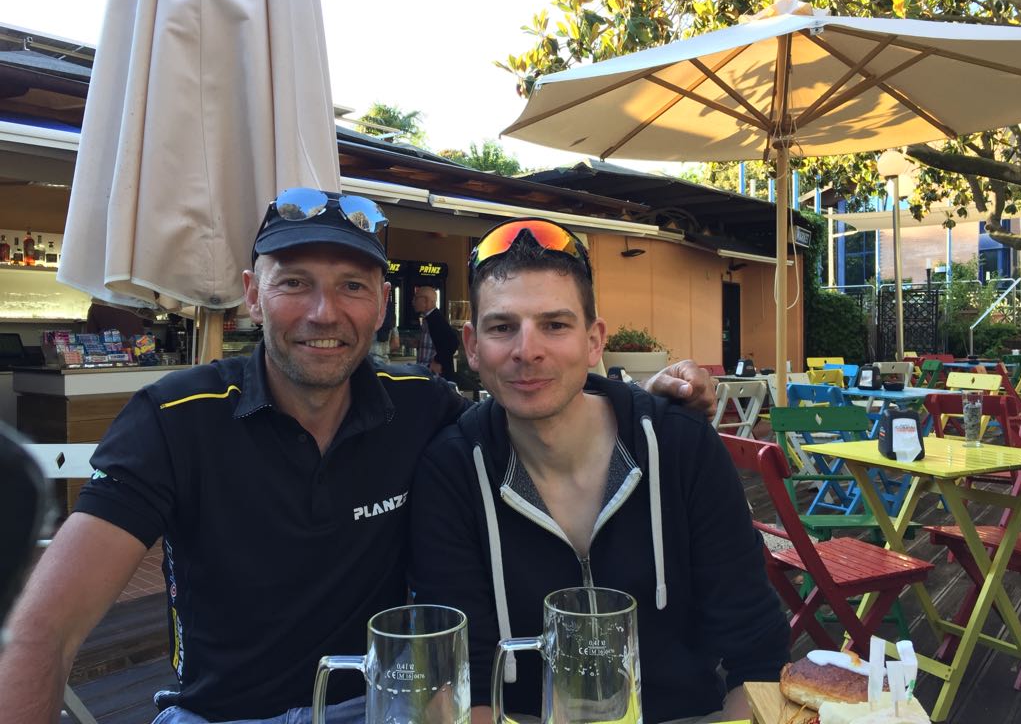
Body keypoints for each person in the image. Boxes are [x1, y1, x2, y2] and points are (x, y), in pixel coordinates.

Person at [0, 189, 716, 724]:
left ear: (379, 304)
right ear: (253, 296)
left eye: (351, 286)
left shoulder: (422, 408)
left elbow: (536, 404)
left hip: (379, 706)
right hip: (219, 715)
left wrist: (639, 401)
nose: (324, 312)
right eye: (294, 282)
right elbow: (43, 632)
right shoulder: (174, 419)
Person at [409, 218, 789, 724]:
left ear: (594, 341)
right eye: (503, 327)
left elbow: (759, 655)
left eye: (555, 325)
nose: (528, 350)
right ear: (473, 346)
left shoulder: (679, 446)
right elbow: (463, 684)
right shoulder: (452, 470)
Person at [413, 285, 459, 381]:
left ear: (425, 301)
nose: (413, 301)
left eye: (416, 298)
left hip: (436, 376)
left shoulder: (436, 319)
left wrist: (438, 360)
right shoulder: (429, 319)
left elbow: (453, 342)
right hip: (428, 374)